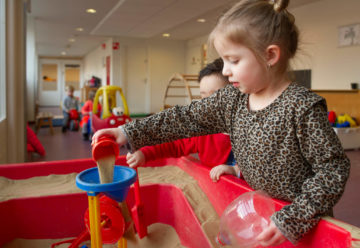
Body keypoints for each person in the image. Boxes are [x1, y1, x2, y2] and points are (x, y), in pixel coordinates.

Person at [93, 0, 350, 246]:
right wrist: (127, 130)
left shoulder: (301, 106)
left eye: (234, 60)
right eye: (224, 60)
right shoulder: (234, 99)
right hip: (260, 216)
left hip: (303, 225)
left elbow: (333, 169)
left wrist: (294, 218)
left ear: (270, 55)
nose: (225, 70)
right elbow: (185, 117)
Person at [126, 58, 240, 182]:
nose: (208, 104)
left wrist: (236, 170)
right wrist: (144, 153)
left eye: (215, 97)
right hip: (215, 189)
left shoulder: (244, 128)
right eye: (203, 97)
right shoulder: (203, 128)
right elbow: (175, 144)